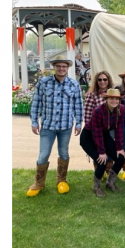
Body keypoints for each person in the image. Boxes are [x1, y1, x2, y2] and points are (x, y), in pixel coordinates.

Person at [26, 55, 83, 197]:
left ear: (68, 68)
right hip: (47, 126)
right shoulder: (43, 83)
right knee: (43, 155)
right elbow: (36, 103)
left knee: (63, 153)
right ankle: (39, 183)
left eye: (64, 66)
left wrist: (79, 122)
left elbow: (78, 105)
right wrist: (34, 121)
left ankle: (61, 181)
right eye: (58, 66)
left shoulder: (73, 84)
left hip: (66, 126)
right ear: (54, 67)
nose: (61, 69)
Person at [80, 88, 125, 197]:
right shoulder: (98, 111)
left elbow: (119, 128)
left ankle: (110, 183)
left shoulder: (121, 109)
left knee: (120, 157)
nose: (114, 101)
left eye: (116, 99)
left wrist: (119, 147)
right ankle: (96, 187)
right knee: (102, 161)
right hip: (88, 136)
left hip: (103, 135)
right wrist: (101, 151)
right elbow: (96, 132)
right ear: (106, 99)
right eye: (111, 98)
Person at [81, 70, 114, 176]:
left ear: (108, 80)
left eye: (105, 79)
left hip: (111, 128)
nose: (102, 82)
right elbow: (87, 113)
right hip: (97, 129)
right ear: (96, 81)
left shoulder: (113, 93)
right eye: (100, 79)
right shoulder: (92, 95)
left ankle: (109, 171)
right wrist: (90, 130)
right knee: (99, 149)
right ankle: (99, 172)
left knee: (110, 149)